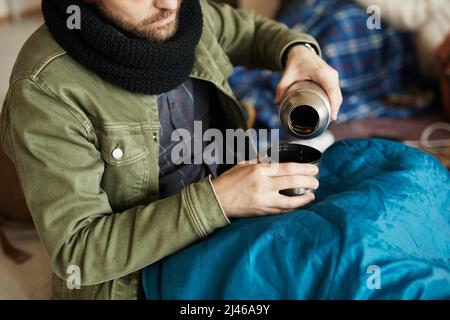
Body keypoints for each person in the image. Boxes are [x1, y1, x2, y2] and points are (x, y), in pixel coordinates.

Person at [0, 0, 341, 299]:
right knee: (325, 274)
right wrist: (220, 199)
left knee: (375, 195)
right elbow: (78, 252)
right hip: (146, 276)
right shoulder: (45, 91)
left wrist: (299, 52)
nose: (168, 4)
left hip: (236, 217)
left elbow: (250, 31)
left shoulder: (185, 14)